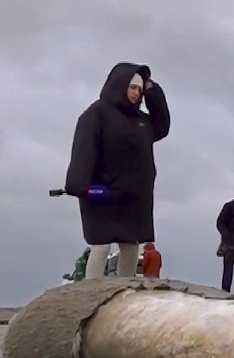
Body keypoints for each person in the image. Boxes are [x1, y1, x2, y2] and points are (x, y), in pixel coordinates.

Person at [64, 62, 170, 279]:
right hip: (102, 193)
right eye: (132, 87)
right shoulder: (96, 113)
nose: (136, 93)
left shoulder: (142, 121)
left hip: (133, 196)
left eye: (140, 89)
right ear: (119, 84)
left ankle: (125, 289)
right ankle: (92, 291)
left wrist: (152, 90)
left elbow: (162, 125)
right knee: (101, 245)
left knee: (130, 246)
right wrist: (81, 187)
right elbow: (84, 150)